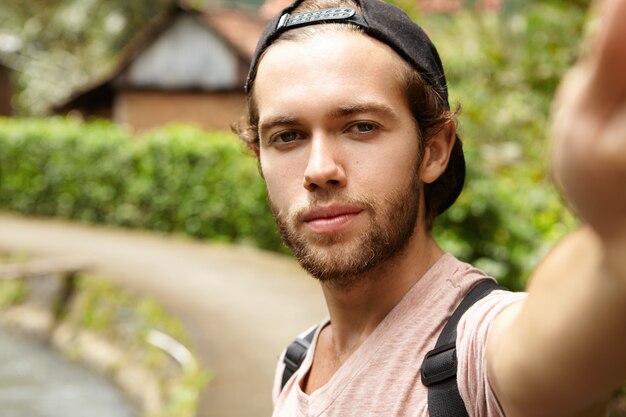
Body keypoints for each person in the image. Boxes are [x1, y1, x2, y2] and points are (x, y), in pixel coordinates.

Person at [234, 0, 626, 415]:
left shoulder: (476, 355)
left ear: (434, 151)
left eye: (361, 126)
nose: (319, 169)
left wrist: (615, 235)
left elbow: (559, 342)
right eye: (287, 136)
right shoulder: (296, 365)